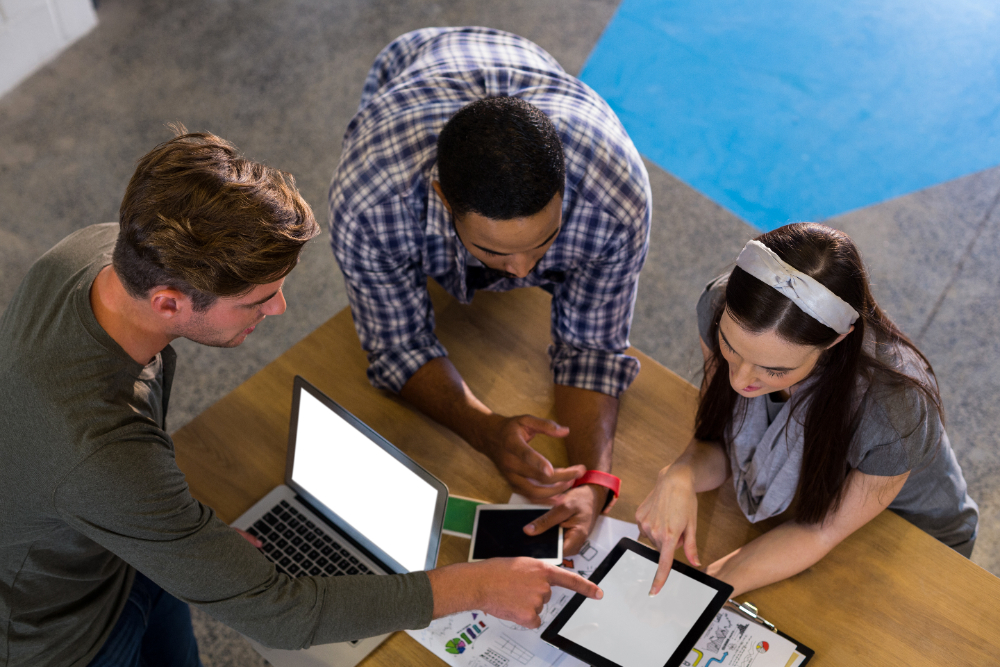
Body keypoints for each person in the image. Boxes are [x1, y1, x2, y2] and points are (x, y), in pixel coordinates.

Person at [0, 129, 601, 667]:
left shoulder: (97, 253)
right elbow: (279, 615)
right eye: (257, 300)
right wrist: (477, 587)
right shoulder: (103, 454)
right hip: (67, 634)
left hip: (122, 554)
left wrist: (177, 545)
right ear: (167, 302)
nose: (279, 309)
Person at [329, 27, 652, 553]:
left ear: (565, 187)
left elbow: (591, 348)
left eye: (545, 240)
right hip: (410, 71)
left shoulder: (617, 195)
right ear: (442, 198)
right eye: (495, 252)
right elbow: (396, 346)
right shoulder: (369, 202)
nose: (522, 272)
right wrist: (483, 429)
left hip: (530, 67)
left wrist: (592, 482)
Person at [636, 223, 978, 598]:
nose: (739, 381)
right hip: (808, 502)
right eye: (731, 348)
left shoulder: (895, 410)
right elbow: (723, 443)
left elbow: (823, 531)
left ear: (835, 341)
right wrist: (680, 474)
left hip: (909, 531)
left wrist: (703, 594)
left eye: (775, 370)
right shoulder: (719, 306)